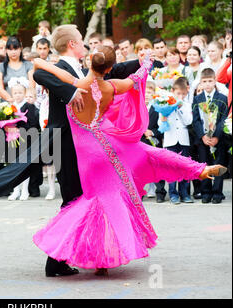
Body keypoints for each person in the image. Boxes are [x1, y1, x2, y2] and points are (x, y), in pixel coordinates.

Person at [0, 25, 143, 277]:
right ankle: (56, 260)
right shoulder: (59, 66)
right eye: (81, 40)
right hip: (64, 142)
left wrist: (140, 62)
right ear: (72, 44)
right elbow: (39, 75)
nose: (85, 44)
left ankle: (78, 255)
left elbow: (114, 69)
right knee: (73, 199)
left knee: (83, 199)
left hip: (84, 145)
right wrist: (69, 93)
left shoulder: (83, 68)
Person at [31, 45, 226, 276]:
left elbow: (40, 66)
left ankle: (98, 259)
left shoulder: (74, 84)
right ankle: (199, 170)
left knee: (95, 202)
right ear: (111, 68)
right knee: (150, 154)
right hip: (110, 141)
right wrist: (146, 63)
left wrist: (41, 62)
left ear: (90, 60)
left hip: (88, 154)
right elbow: (136, 79)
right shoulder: (111, 86)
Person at [192, 68, 229, 204]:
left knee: (218, 164)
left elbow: (223, 119)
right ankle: (206, 192)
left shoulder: (222, 99)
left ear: (215, 82)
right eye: (204, 81)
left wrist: (216, 137)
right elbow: (195, 120)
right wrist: (203, 136)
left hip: (218, 140)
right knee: (204, 164)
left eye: (210, 81)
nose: (207, 84)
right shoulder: (197, 99)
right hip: (203, 140)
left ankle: (217, 193)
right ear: (200, 83)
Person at [159, 78, 194, 204]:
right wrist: (163, 117)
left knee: (184, 167)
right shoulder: (164, 103)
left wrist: (179, 108)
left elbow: (188, 121)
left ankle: (184, 193)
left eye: (183, 94)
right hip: (170, 140)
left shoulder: (186, 105)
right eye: (178, 93)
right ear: (173, 91)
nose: (181, 96)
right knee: (171, 168)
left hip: (183, 140)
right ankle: (173, 194)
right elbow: (160, 125)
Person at [7, 83, 40, 201]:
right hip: (12, 140)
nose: (17, 95)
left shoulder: (29, 107)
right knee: (14, 165)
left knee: (24, 166)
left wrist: (19, 130)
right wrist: (8, 128)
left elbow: (32, 125)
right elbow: (5, 122)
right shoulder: (9, 107)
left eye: (20, 93)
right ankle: (16, 190)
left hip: (25, 140)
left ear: (24, 93)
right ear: (12, 94)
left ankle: (25, 190)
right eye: (15, 93)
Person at [141, 81, 166, 202]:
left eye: (149, 92)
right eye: (145, 92)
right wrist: (142, 131)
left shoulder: (157, 108)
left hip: (154, 141)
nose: (146, 94)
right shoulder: (137, 107)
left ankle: (160, 192)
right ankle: (139, 192)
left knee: (156, 167)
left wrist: (153, 132)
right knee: (139, 167)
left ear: (153, 94)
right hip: (139, 141)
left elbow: (162, 126)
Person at [0, 36, 35, 103]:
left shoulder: (28, 65)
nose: (13, 52)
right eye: (10, 49)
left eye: (16, 49)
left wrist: (25, 100)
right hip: (8, 104)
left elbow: (32, 85)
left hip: (27, 102)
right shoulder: (1, 67)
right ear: (6, 50)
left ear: (20, 49)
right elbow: (0, 88)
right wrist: (11, 99)